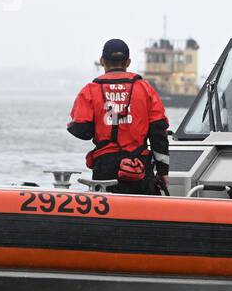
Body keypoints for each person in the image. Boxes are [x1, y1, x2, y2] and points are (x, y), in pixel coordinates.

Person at [67, 39, 171, 195]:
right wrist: (163, 171)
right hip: (140, 169)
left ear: (102, 61)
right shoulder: (145, 89)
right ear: (128, 62)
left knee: (104, 213)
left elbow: (80, 129)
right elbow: (158, 133)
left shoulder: (90, 90)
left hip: (105, 168)